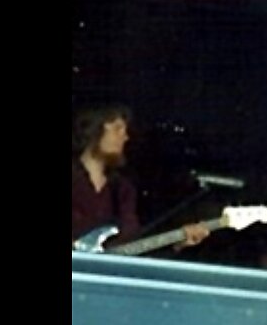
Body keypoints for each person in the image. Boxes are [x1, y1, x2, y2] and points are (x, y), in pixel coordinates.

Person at [71, 104, 210, 252]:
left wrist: (177, 243)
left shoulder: (122, 189)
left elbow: (132, 245)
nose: (125, 137)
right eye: (117, 129)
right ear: (94, 130)